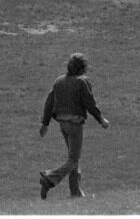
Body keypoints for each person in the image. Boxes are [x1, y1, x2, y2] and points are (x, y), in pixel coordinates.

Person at [39, 53, 110, 200]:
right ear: (82, 68)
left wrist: (45, 123)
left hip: (62, 124)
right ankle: (50, 178)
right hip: (75, 124)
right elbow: (90, 104)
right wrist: (101, 119)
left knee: (73, 159)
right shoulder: (82, 82)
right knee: (73, 160)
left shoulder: (59, 81)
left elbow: (49, 102)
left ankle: (75, 192)